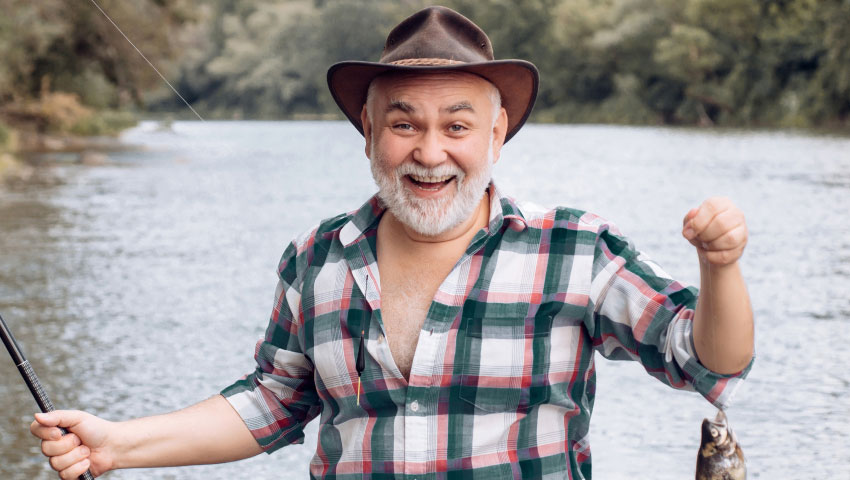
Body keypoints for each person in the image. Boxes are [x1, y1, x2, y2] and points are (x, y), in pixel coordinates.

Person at [30, 6, 753, 479]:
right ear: (370, 132)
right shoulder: (315, 258)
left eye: (457, 126)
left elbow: (710, 362)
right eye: (404, 124)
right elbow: (272, 402)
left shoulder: (576, 250)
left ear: (496, 134)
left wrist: (720, 268)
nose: (430, 153)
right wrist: (118, 445)